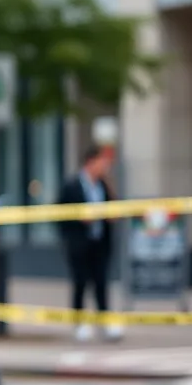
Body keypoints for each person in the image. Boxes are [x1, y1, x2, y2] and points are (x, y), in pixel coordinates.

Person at [58, 146, 121, 342]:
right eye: (102, 162)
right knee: (80, 283)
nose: (105, 167)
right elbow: (60, 215)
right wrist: (79, 220)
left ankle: (104, 322)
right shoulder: (72, 185)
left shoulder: (104, 185)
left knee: (101, 283)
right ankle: (79, 323)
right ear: (91, 162)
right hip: (79, 244)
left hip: (100, 243)